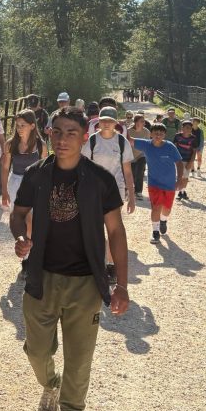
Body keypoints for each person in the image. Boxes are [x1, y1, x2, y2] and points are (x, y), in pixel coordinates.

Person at [10, 106, 129, 411]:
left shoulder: (100, 180)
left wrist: (121, 285)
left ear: (84, 137)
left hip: (85, 283)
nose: (62, 139)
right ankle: (51, 384)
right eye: (57, 132)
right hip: (41, 278)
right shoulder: (36, 174)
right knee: (36, 350)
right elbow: (18, 214)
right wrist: (20, 237)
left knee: (79, 357)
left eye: (71, 133)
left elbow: (116, 231)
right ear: (49, 134)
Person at [80, 106, 135, 283]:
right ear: (99, 121)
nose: (106, 124)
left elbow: (128, 172)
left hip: (115, 192)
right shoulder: (92, 141)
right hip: (94, 192)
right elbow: (83, 167)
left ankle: (111, 266)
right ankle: (97, 265)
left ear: (115, 123)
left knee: (113, 230)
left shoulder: (121, 142)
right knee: (95, 230)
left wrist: (132, 196)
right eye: (103, 120)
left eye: (110, 121)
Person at [128, 123, 183, 243]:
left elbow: (179, 163)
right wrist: (120, 127)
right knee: (156, 207)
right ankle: (155, 232)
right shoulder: (146, 145)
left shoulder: (170, 147)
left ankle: (163, 220)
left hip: (169, 184)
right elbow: (129, 139)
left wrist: (179, 180)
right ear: (151, 134)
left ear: (164, 135)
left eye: (161, 134)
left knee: (167, 209)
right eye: (156, 133)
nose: (158, 136)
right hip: (154, 184)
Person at [2, 109, 47, 208]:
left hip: (33, 185)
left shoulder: (41, 145)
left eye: (23, 125)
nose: (19, 128)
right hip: (15, 184)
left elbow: (44, 171)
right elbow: (5, 168)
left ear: (32, 126)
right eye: (17, 125)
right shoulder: (10, 144)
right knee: (16, 214)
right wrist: (4, 191)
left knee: (32, 215)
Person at [128, 113, 150, 199]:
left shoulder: (146, 131)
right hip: (130, 155)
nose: (143, 123)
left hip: (141, 154)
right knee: (133, 173)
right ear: (135, 122)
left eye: (143, 121)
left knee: (140, 172)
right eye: (141, 121)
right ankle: (131, 190)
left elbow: (147, 144)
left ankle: (138, 191)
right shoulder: (129, 131)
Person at [173, 120, 197, 201]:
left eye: (190, 128)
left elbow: (194, 151)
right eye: (187, 127)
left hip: (188, 160)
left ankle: (182, 191)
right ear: (182, 128)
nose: (188, 129)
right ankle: (181, 192)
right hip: (178, 160)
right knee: (180, 176)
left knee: (185, 177)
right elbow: (174, 147)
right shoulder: (177, 136)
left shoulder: (193, 138)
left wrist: (191, 162)